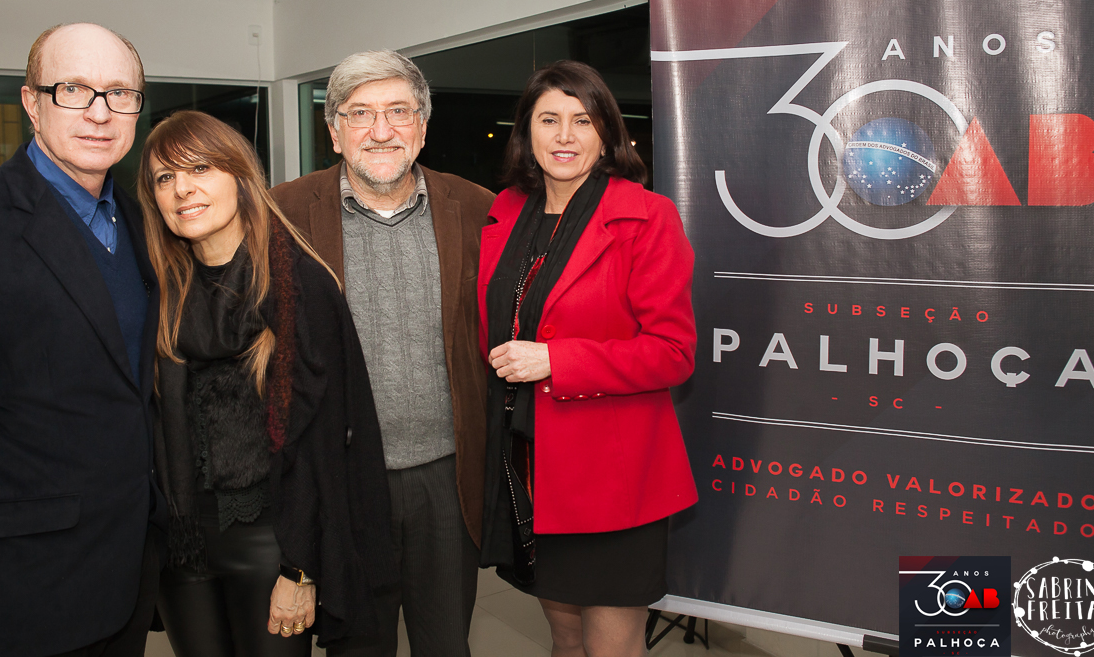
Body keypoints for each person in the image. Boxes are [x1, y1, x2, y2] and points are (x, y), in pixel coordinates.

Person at [0, 23, 165, 657]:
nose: (99, 112)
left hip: (127, 573)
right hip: (15, 590)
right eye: (74, 89)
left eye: (120, 92)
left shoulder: (145, 223)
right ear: (31, 103)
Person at [137, 111, 396, 656]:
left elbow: (325, 448)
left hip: (272, 542)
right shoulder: (159, 292)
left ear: (239, 175)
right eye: (165, 177)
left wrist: (299, 569)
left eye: (200, 168)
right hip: (184, 543)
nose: (182, 188)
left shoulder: (298, 286)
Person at [272, 50, 494, 657]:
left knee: (446, 644)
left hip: (447, 477)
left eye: (398, 111)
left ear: (422, 126)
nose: (381, 130)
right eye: (361, 112)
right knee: (359, 647)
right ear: (334, 129)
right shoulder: (282, 214)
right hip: (344, 477)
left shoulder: (479, 209)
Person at [479, 60, 699, 657]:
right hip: (532, 467)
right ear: (526, 132)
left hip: (616, 475)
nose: (565, 136)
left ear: (607, 132)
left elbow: (673, 353)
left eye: (582, 119)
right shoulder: (505, 213)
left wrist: (558, 360)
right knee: (566, 635)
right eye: (549, 119)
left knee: (611, 644)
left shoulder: (647, 217)